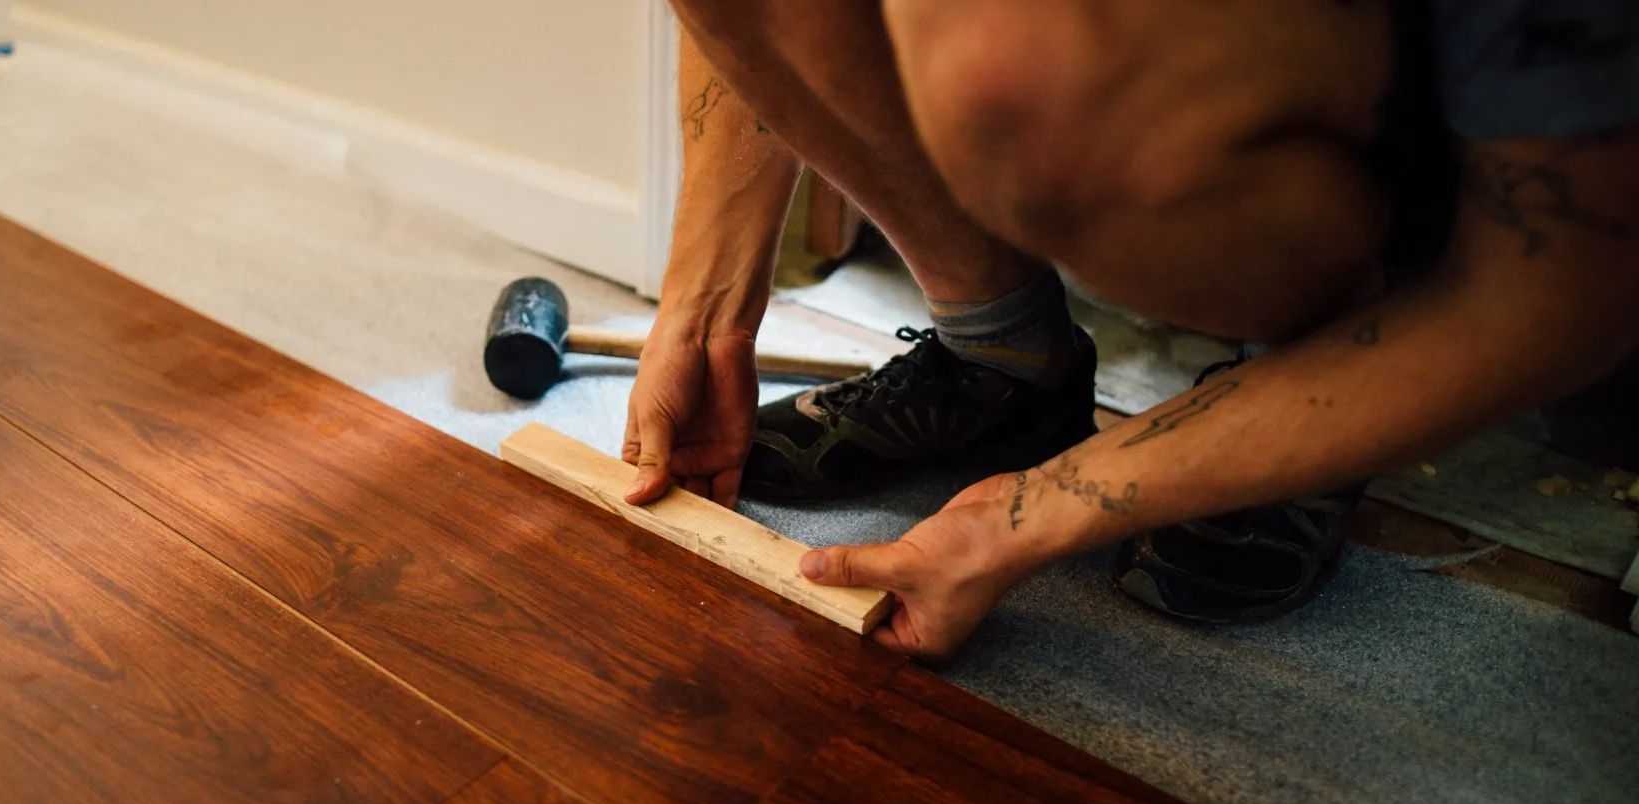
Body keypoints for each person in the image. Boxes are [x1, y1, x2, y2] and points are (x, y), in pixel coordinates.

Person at [621, 0, 1638, 659]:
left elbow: (1552, 300)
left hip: (1444, 148)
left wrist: (1033, 513)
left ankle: (1319, 359)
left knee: (1016, 65)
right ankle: (1004, 360)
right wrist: (704, 311)